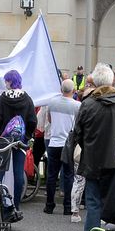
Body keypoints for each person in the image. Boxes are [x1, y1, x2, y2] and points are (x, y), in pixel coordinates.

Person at [68, 64, 115, 231]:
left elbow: (78, 134)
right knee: (113, 204)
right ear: (112, 81)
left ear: (94, 81)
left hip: (93, 161)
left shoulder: (87, 105)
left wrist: (88, 147)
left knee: (93, 205)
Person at [0, 70, 36, 222]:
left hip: (3, 139)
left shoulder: (3, 98)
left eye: (6, 81)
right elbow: (32, 121)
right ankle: (15, 206)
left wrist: (3, 125)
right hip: (20, 141)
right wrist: (26, 136)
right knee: (18, 174)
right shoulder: (27, 98)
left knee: (0, 172)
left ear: (9, 81)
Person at [44, 79, 79, 215]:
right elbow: (77, 125)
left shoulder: (52, 102)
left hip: (54, 142)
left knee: (51, 175)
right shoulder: (77, 105)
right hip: (68, 143)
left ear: (61, 90)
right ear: (73, 90)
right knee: (69, 175)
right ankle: (67, 207)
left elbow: (50, 119)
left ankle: (49, 205)